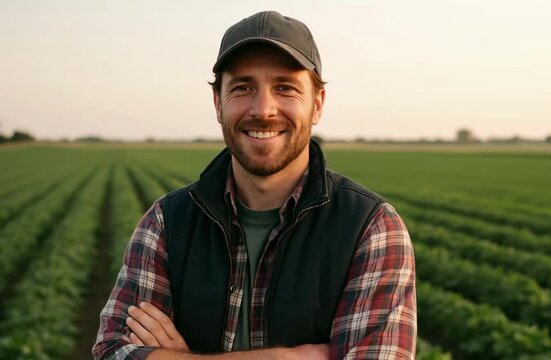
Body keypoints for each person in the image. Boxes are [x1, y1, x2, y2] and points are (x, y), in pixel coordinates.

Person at [93, 10, 416, 360]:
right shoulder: (166, 222)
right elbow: (112, 351)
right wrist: (284, 358)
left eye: (285, 88)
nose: (263, 109)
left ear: (317, 104)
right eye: (243, 87)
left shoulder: (370, 227)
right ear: (218, 103)